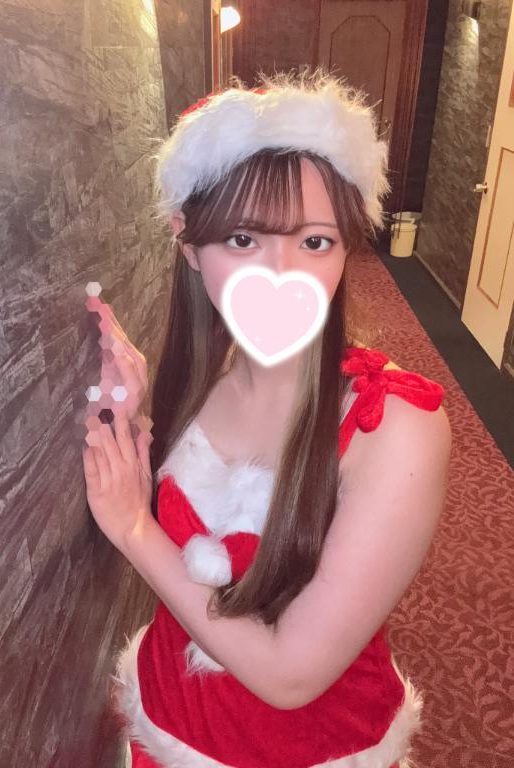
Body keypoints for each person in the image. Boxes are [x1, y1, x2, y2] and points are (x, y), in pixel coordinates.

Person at [82, 68, 452, 768]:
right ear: (188, 244)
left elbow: (290, 676)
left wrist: (133, 530)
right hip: (163, 718)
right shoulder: (206, 369)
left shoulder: (396, 425)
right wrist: (128, 414)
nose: (281, 273)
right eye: (243, 239)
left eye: (315, 242)